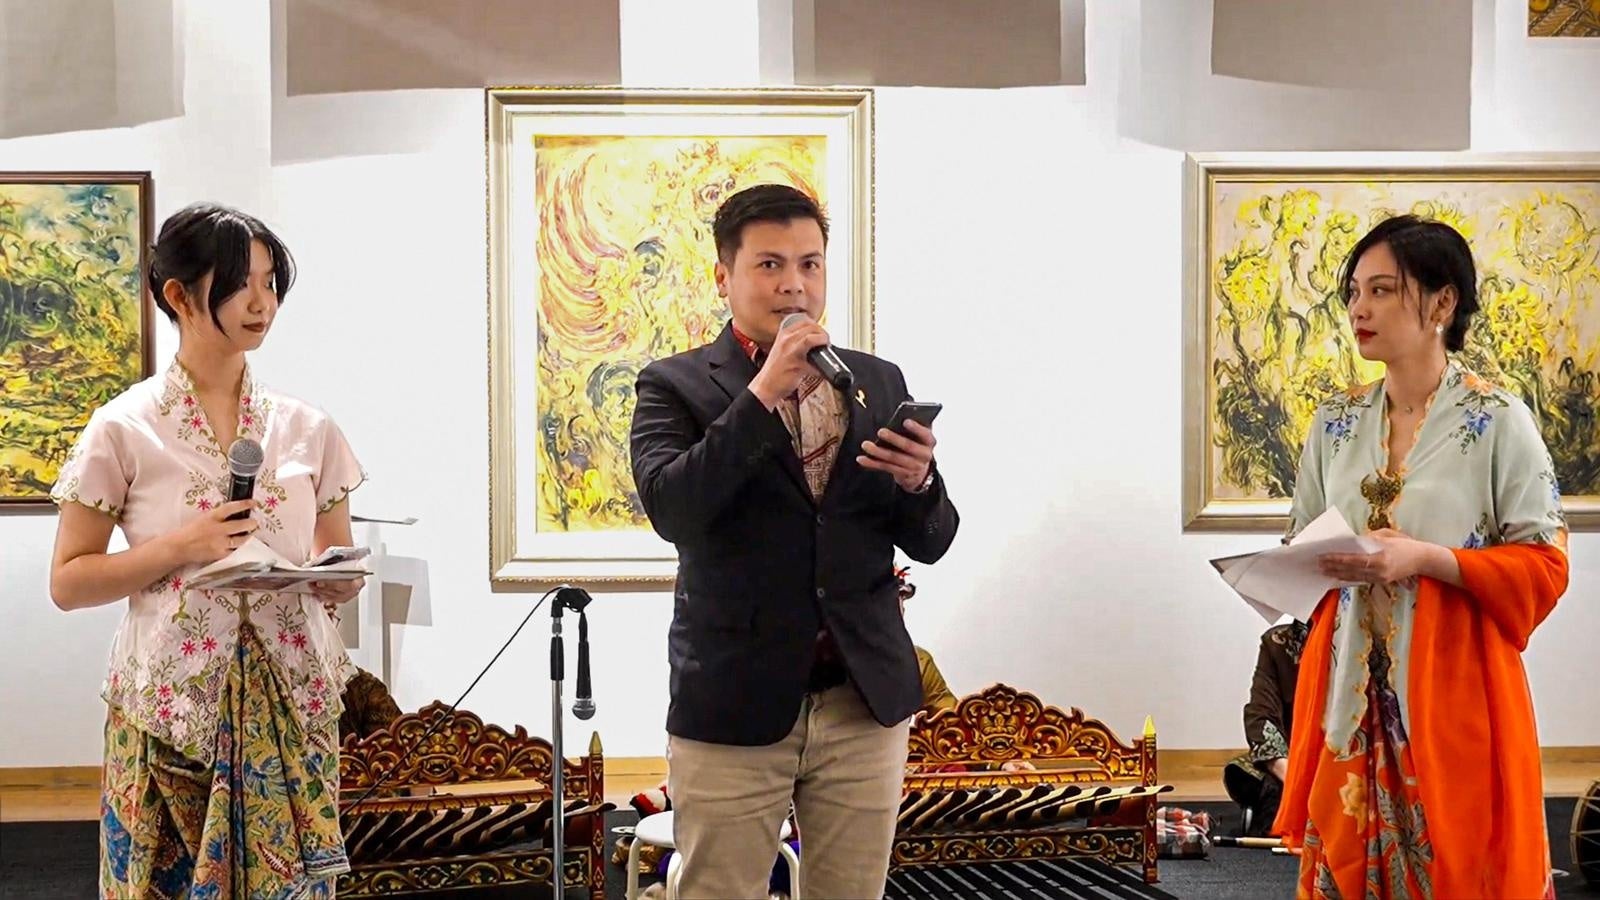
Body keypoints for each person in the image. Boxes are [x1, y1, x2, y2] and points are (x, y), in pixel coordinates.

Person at [629, 183, 959, 900]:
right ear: (724, 276)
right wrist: (761, 395)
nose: (794, 284)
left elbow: (932, 539)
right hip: (734, 697)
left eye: (810, 264)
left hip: (862, 699)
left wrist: (920, 483)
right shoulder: (674, 385)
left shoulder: (876, 381)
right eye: (770, 264)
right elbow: (674, 510)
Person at [49, 203, 367, 898]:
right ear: (179, 295)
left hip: (291, 699)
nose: (262, 303)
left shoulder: (309, 428)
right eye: (239, 283)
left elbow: (337, 558)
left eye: (270, 282)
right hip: (171, 707)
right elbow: (69, 581)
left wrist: (338, 582)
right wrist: (181, 545)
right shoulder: (123, 427)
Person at [1272, 215, 1569, 898]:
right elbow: (1302, 539)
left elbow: (1546, 564)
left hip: (1453, 684)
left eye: (1381, 290)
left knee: (1457, 865)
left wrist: (1428, 559)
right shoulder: (1333, 423)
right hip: (1348, 691)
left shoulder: (1499, 421)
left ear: (1442, 303)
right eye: (1354, 292)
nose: (1359, 308)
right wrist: (1293, 564)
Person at [1222, 620, 1307, 836]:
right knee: (1241, 773)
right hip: (1292, 760)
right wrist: (1294, 780)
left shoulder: (1365, 640)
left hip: (1348, 762)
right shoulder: (1278, 642)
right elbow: (1260, 715)